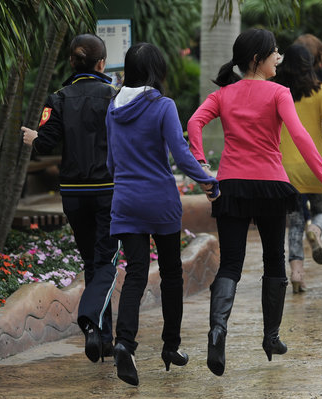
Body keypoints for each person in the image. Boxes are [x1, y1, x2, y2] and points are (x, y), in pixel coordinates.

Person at [187, 28, 322, 376]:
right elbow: (300, 136)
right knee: (274, 259)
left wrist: (201, 165)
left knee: (230, 265)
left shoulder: (224, 94)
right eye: (274, 53)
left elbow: (194, 122)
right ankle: (271, 336)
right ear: (257, 58)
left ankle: (217, 330)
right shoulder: (278, 93)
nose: (278, 58)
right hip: (270, 184)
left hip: (231, 185)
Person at [104, 43, 219, 386]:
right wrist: (208, 180)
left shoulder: (113, 108)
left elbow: (111, 162)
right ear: (157, 70)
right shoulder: (163, 105)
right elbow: (181, 156)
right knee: (171, 274)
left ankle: (124, 343)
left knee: (136, 274)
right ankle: (171, 347)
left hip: (125, 201)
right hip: (159, 200)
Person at [22, 34, 118, 364]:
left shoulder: (58, 98)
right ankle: (92, 321)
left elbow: (45, 143)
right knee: (106, 261)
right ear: (101, 64)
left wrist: (34, 138)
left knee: (93, 262)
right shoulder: (114, 97)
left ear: (72, 63)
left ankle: (103, 338)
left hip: (74, 195)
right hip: (107, 192)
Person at [273, 44, 322, 293]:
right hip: (315, 166)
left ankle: (297, 273)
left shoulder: (277, 92)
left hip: (285, 169)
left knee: (294, 223)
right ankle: (316, 230)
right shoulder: (320, 90)